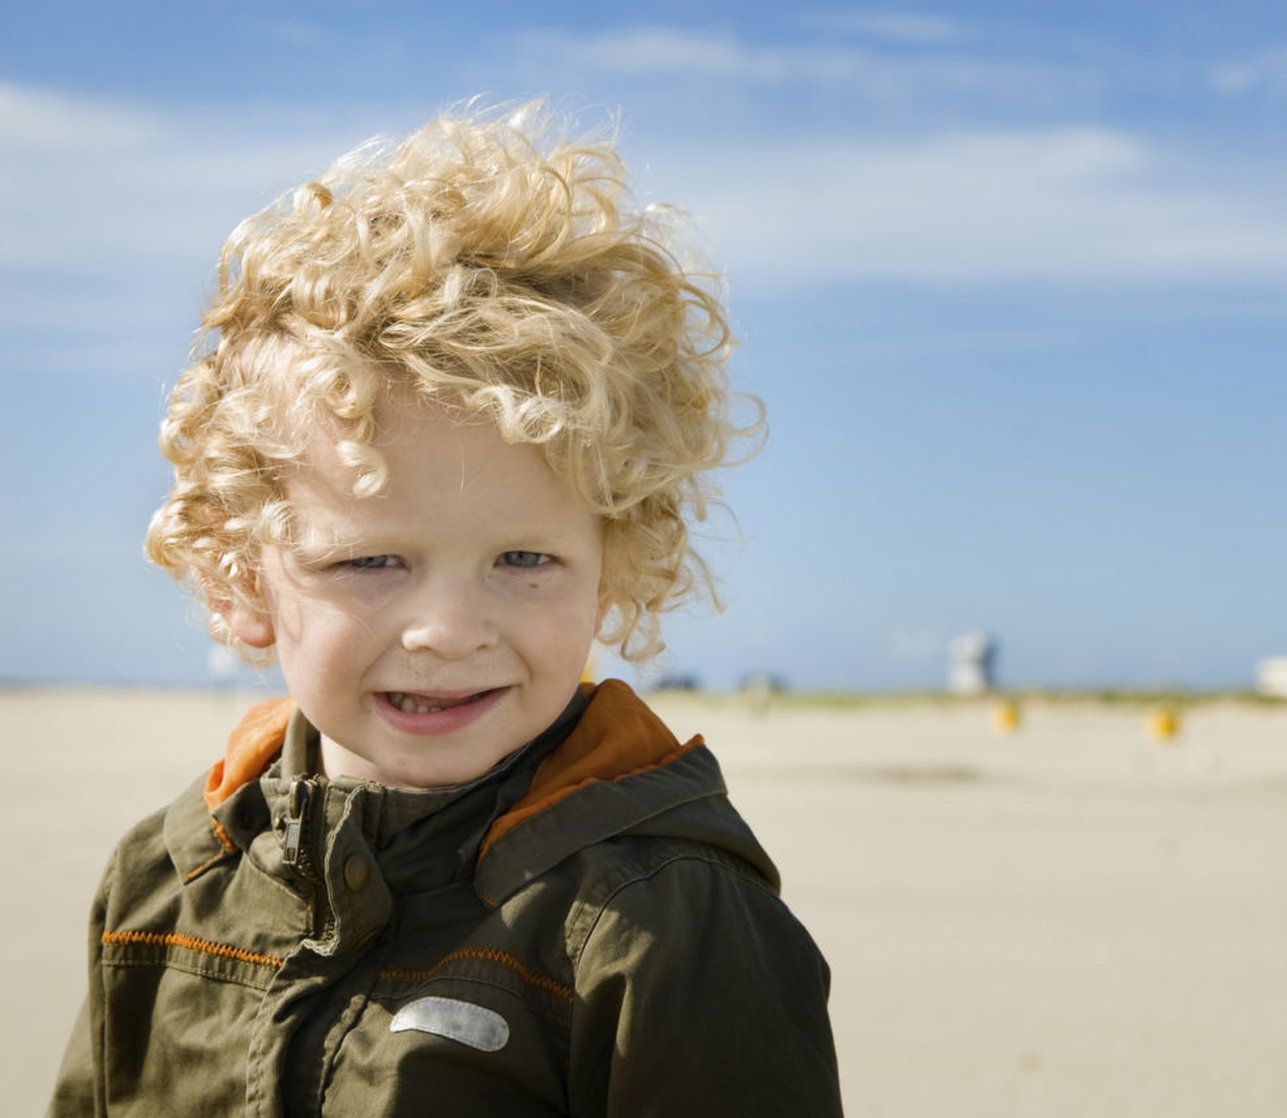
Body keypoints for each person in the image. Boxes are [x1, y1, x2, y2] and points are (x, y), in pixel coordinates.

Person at [50, 102, 842, 1117]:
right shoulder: (166, 880)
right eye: (372, 559)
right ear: (242, 576)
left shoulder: (663, 921)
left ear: (612, 562)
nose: (448, 629)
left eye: (524, 558)